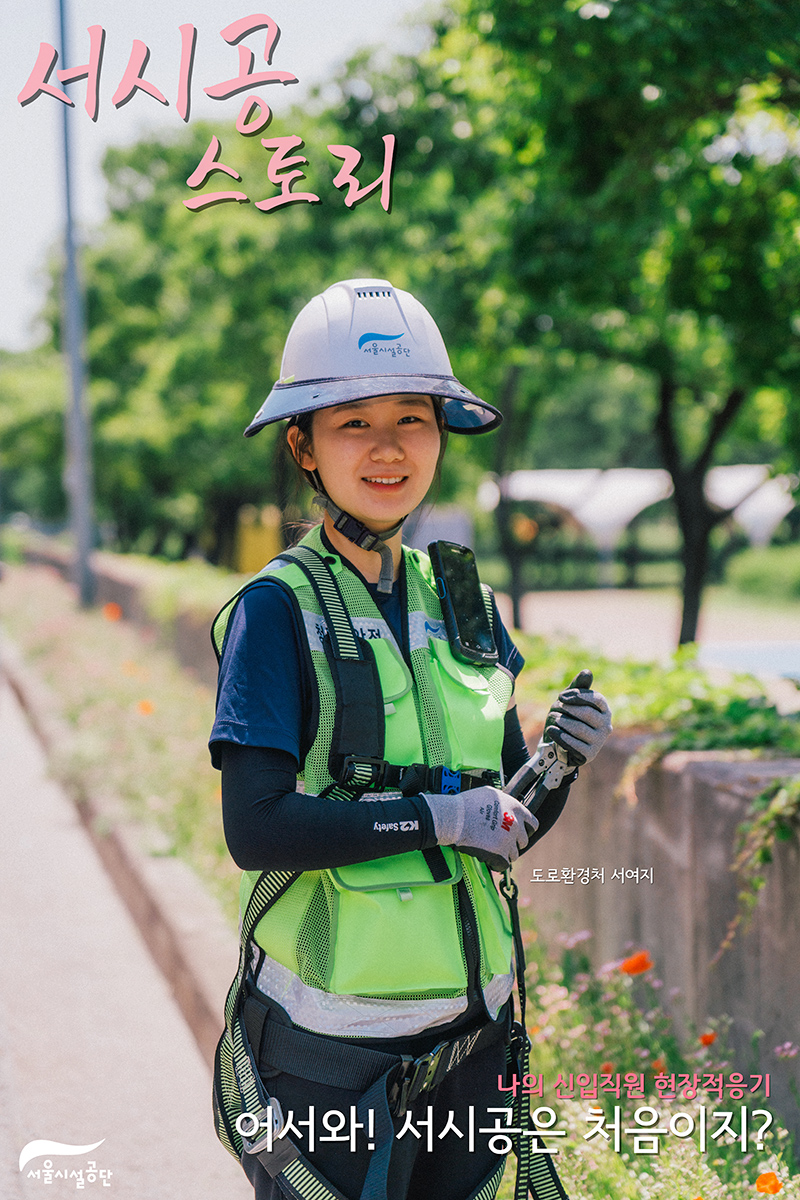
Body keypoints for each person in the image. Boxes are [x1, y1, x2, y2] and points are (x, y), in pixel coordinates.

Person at [209, 278, 612, 1200]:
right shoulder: (279, 609)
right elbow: (257, 830)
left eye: (413, 418)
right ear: (302, 446)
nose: (390, 447)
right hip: (330, 1061)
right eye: (353, 422)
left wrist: (558, 765)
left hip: (475, 1041)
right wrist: (436, 816)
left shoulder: (460, 596)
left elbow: (502, 822)